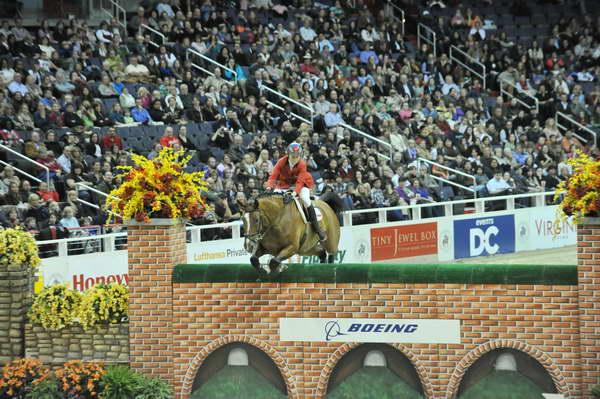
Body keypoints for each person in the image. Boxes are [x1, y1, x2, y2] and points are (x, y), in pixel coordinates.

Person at [265, 142, 326, 243]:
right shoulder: (281, 161)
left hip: (301, 185)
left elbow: (300, 181)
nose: (295, 158)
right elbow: (273, 176)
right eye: (293, 156)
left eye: (297, 156)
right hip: (284, 184)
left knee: (306, 200)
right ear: (288, 154)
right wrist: (268, 187)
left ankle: (317, 229)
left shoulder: (302, 164)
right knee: (274, 197)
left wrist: (294, 194)